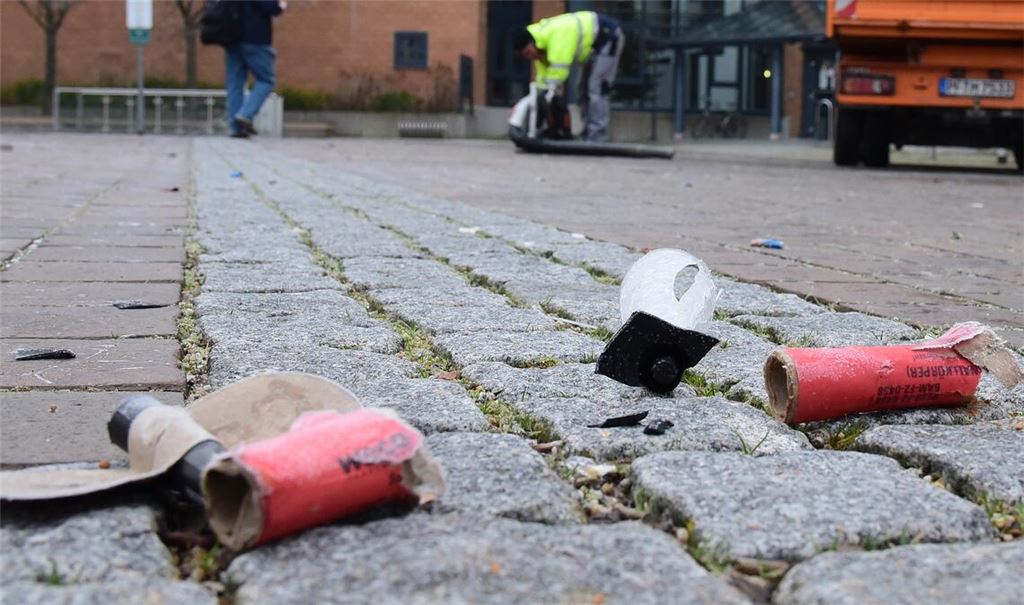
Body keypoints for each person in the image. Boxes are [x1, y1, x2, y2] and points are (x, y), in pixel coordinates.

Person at [514, 11, 624, 142]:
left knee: (597, 88)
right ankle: (588, 133)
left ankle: (597, 137)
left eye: (528, 52)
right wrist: (539, 96)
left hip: (608, 37)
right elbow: (542, 81)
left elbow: (558, 74)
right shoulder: (541, 48)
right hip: (593, 47)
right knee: (582, 90)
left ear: (532, 42)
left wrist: (548, 96)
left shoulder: (556, 37)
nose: (530, 57)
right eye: (525, 56)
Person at [225, 0, 286, 138]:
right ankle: (245, 114)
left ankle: (235, 128)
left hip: (231, 40)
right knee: (266, 80)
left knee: (235, 84)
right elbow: (272, 7)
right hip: (256, 40)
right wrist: (281, 4)